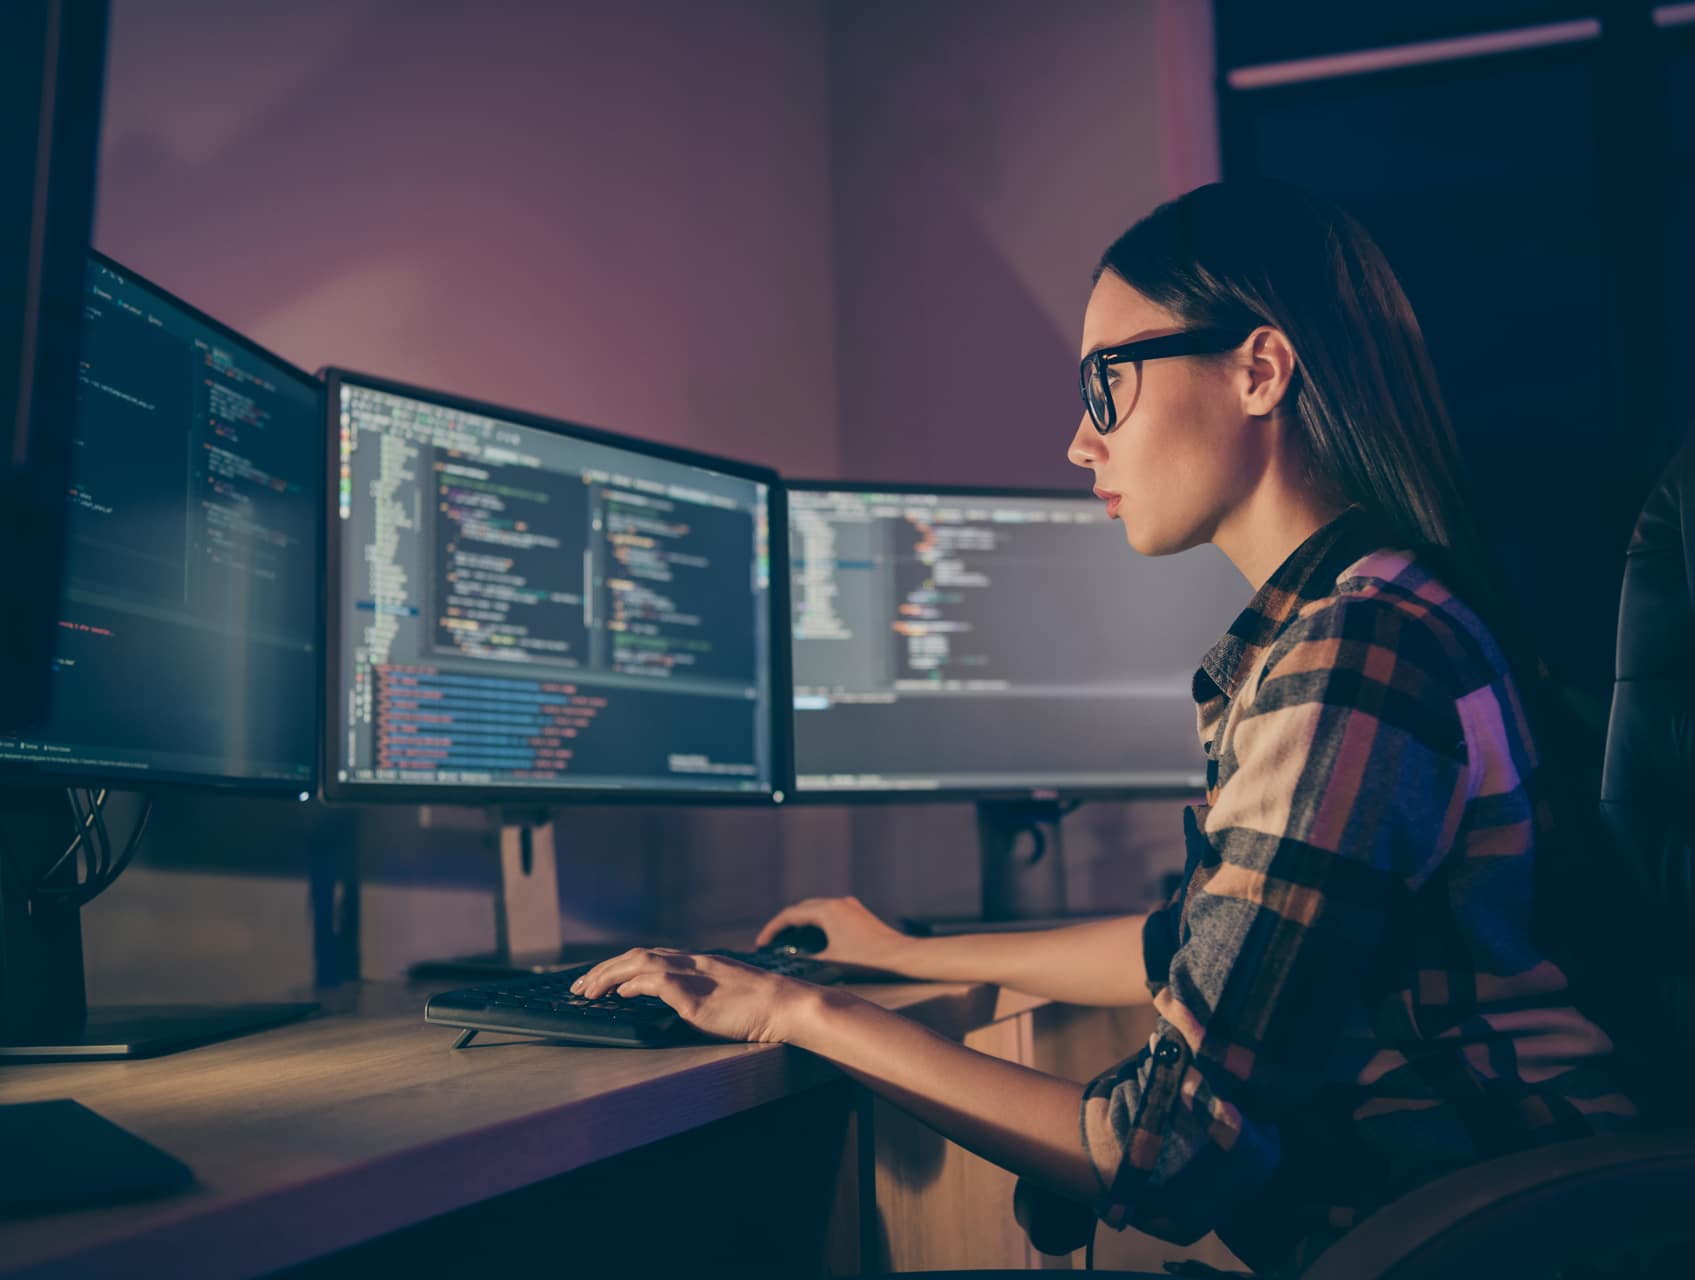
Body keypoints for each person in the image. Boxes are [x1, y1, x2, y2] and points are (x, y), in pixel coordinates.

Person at [573, 180, 1636, 1275]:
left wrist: (793, 1009)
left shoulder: (1357, 651)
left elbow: (1166, 1147)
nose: (1081, 440)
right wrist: (901, 953)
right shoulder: (1359, 616)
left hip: (1479, 1236)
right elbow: (1188, 940)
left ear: (1260, 370)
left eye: (1107, 381)